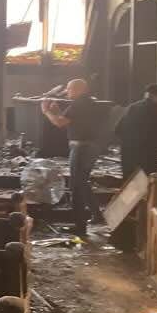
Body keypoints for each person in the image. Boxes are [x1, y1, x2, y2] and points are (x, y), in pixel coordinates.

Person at [41, 78, 104, 234]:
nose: (67, 92)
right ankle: (97, 215)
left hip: (81, 147)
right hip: (91, 147)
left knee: (76, 185)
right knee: (83, 182)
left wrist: (47, 111)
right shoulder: (90, 103)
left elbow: (60, 123)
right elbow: (70, 120)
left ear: (79, 89)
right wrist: (56, 112)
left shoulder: (79, 104)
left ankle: (79, 225)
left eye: (69, 89)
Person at [115, 84, 157, 181]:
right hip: (149, 154)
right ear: (156, 97)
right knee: (146, 181)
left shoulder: (133, 107)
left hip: (129, 152)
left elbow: (119, 129)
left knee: (129, 182)